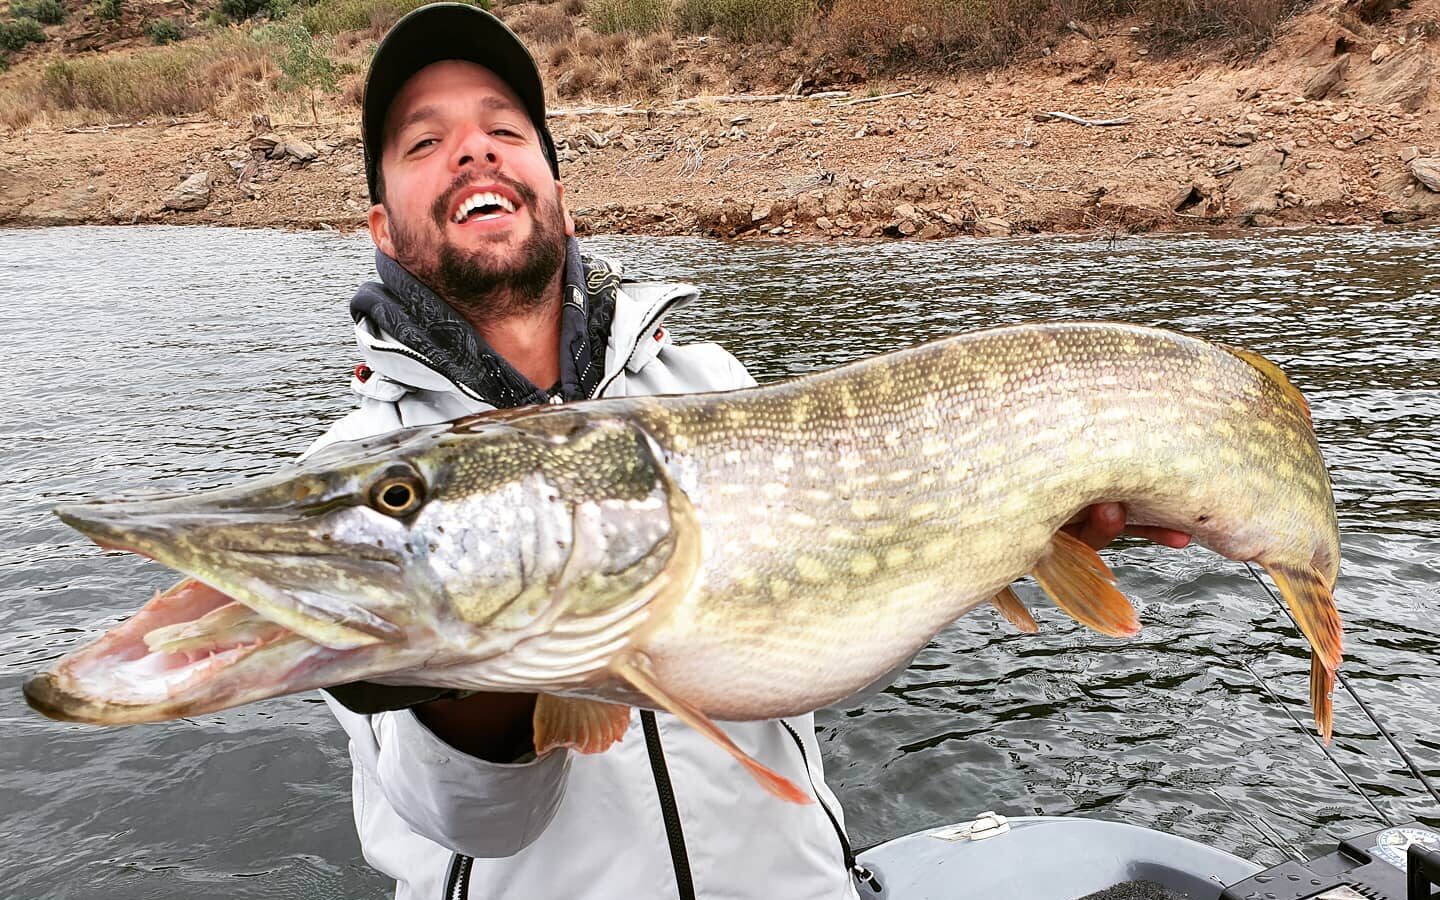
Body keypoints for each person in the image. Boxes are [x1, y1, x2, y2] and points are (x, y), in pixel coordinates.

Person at [304, 6, 1190, 898]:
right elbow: (474, 820)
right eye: (424, 143)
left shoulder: (708, 382)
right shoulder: (360, 476)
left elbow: (824, 637)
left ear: (561, 199)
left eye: (504, 129)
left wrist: (1005, 516)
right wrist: (488, 620)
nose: (473, 152)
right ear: (381, 228)